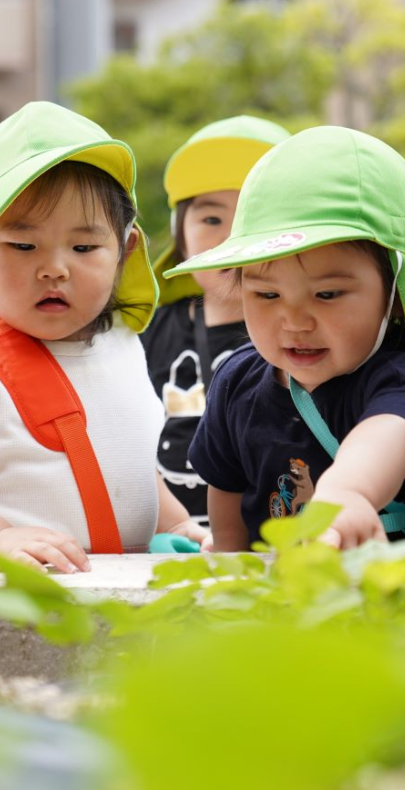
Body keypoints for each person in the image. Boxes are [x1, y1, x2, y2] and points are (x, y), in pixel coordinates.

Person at [0, 102, 203, 572]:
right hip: (24, 601)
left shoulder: (124, 345)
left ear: (124, 249)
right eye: (24, 246)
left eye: (84, 247)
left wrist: (175, 526)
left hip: (125, 603)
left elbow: (128, 467)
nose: (55, 268)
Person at [166, 126, 405, 551]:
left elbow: (387, 436)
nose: (294, 321)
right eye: (267, 295)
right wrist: (229, 557)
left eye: (326, 294)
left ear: (398, 294)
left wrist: (348, 492)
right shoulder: (236, 380)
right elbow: (227, 486)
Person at [143, 115, 290, 516]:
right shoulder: (142, 331)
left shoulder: (306, 332)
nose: (230, 237)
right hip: (163, 543)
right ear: (180, 237)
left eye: (251, 215)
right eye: (211, 219)